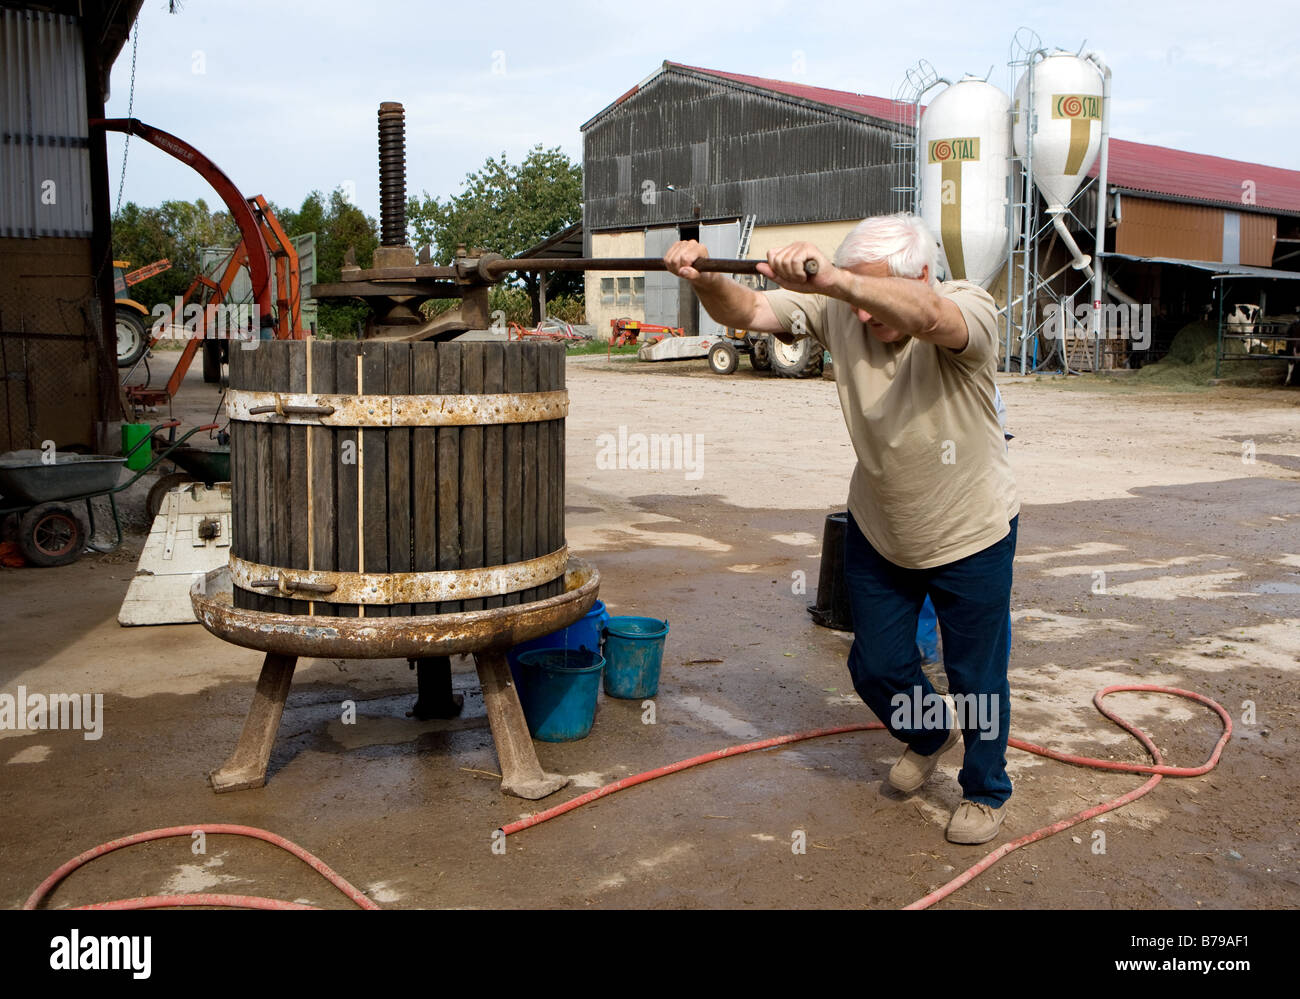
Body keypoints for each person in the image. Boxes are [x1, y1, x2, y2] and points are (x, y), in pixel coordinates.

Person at [664, 213, 1019, 845]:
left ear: (923, 275)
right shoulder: (842, 308)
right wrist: (706, 277)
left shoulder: (969, 305)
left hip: (971, 531)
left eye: (868, 292)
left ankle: (986, 791)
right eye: (849, 293)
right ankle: (930, 733)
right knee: (876, 664)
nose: (858, 314)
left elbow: (933, 319)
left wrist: (834, 280)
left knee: (976, 676)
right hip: (882, 528)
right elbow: (746, 310)